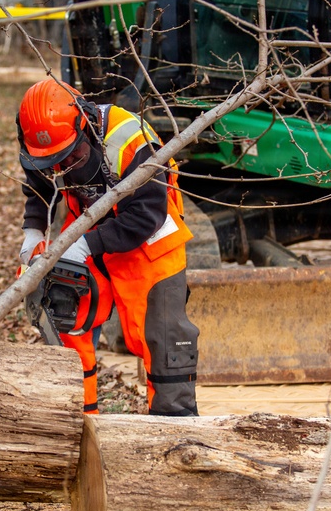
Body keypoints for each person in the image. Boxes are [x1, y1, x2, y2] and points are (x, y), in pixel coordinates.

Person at [16, 79, 200, 416]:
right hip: (88, 227)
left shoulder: (131, 139)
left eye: (71, 156)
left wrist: (87, 244)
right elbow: (39, 184)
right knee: (62, 313)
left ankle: (176, 428)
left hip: (149, 239)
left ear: (83, 124)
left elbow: (147, 215)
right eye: (54, 161)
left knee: (163, 337)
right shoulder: (43, 144)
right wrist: (33, 228)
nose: (63, 166)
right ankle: (78, 419)